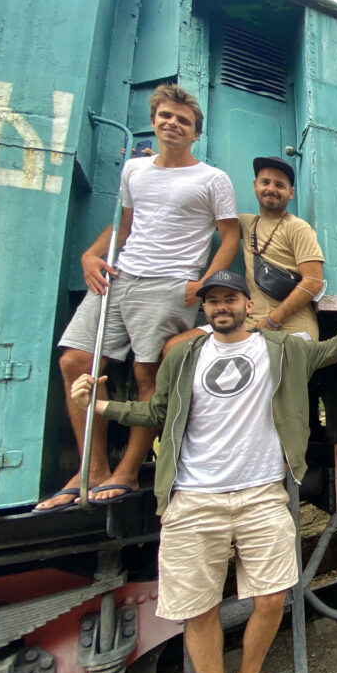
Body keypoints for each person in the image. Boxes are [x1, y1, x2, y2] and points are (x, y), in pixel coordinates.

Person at [70, 268, 337, 673]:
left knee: (273, 597)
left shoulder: (283, 350)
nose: (221, 307)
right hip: (194, 499)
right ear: (204, 308)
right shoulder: (182, 358)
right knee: (199, 609)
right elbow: (155, 413)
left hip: (262, 494)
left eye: (229, 299)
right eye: (213, 301)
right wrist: (100, 405)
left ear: (247, 305)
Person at [36, 84, 240, 511]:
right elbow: (124, 226)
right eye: (166, 116)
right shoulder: (135, 171)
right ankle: (91, 468)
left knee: (149, 375)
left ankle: (127, 471)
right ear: (154, 121)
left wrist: (203, 284)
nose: (173, 124)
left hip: (170, 283)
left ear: (195, 133)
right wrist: (92, 254)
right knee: (74, 361)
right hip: (121, 275)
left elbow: (230, 236)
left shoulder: (212, 178)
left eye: (183, 120)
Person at [163, 155, 323, 354]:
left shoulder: (298, 228)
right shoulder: (246, 223)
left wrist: (271, 321)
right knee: (174, 349)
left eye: (280, 185)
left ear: (291, 193)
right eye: (265, 182)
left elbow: (313, 281)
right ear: (255, 185)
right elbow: (199, 214)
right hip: (246, 325)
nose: (271, 189)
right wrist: (169, 171)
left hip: (291, 329)